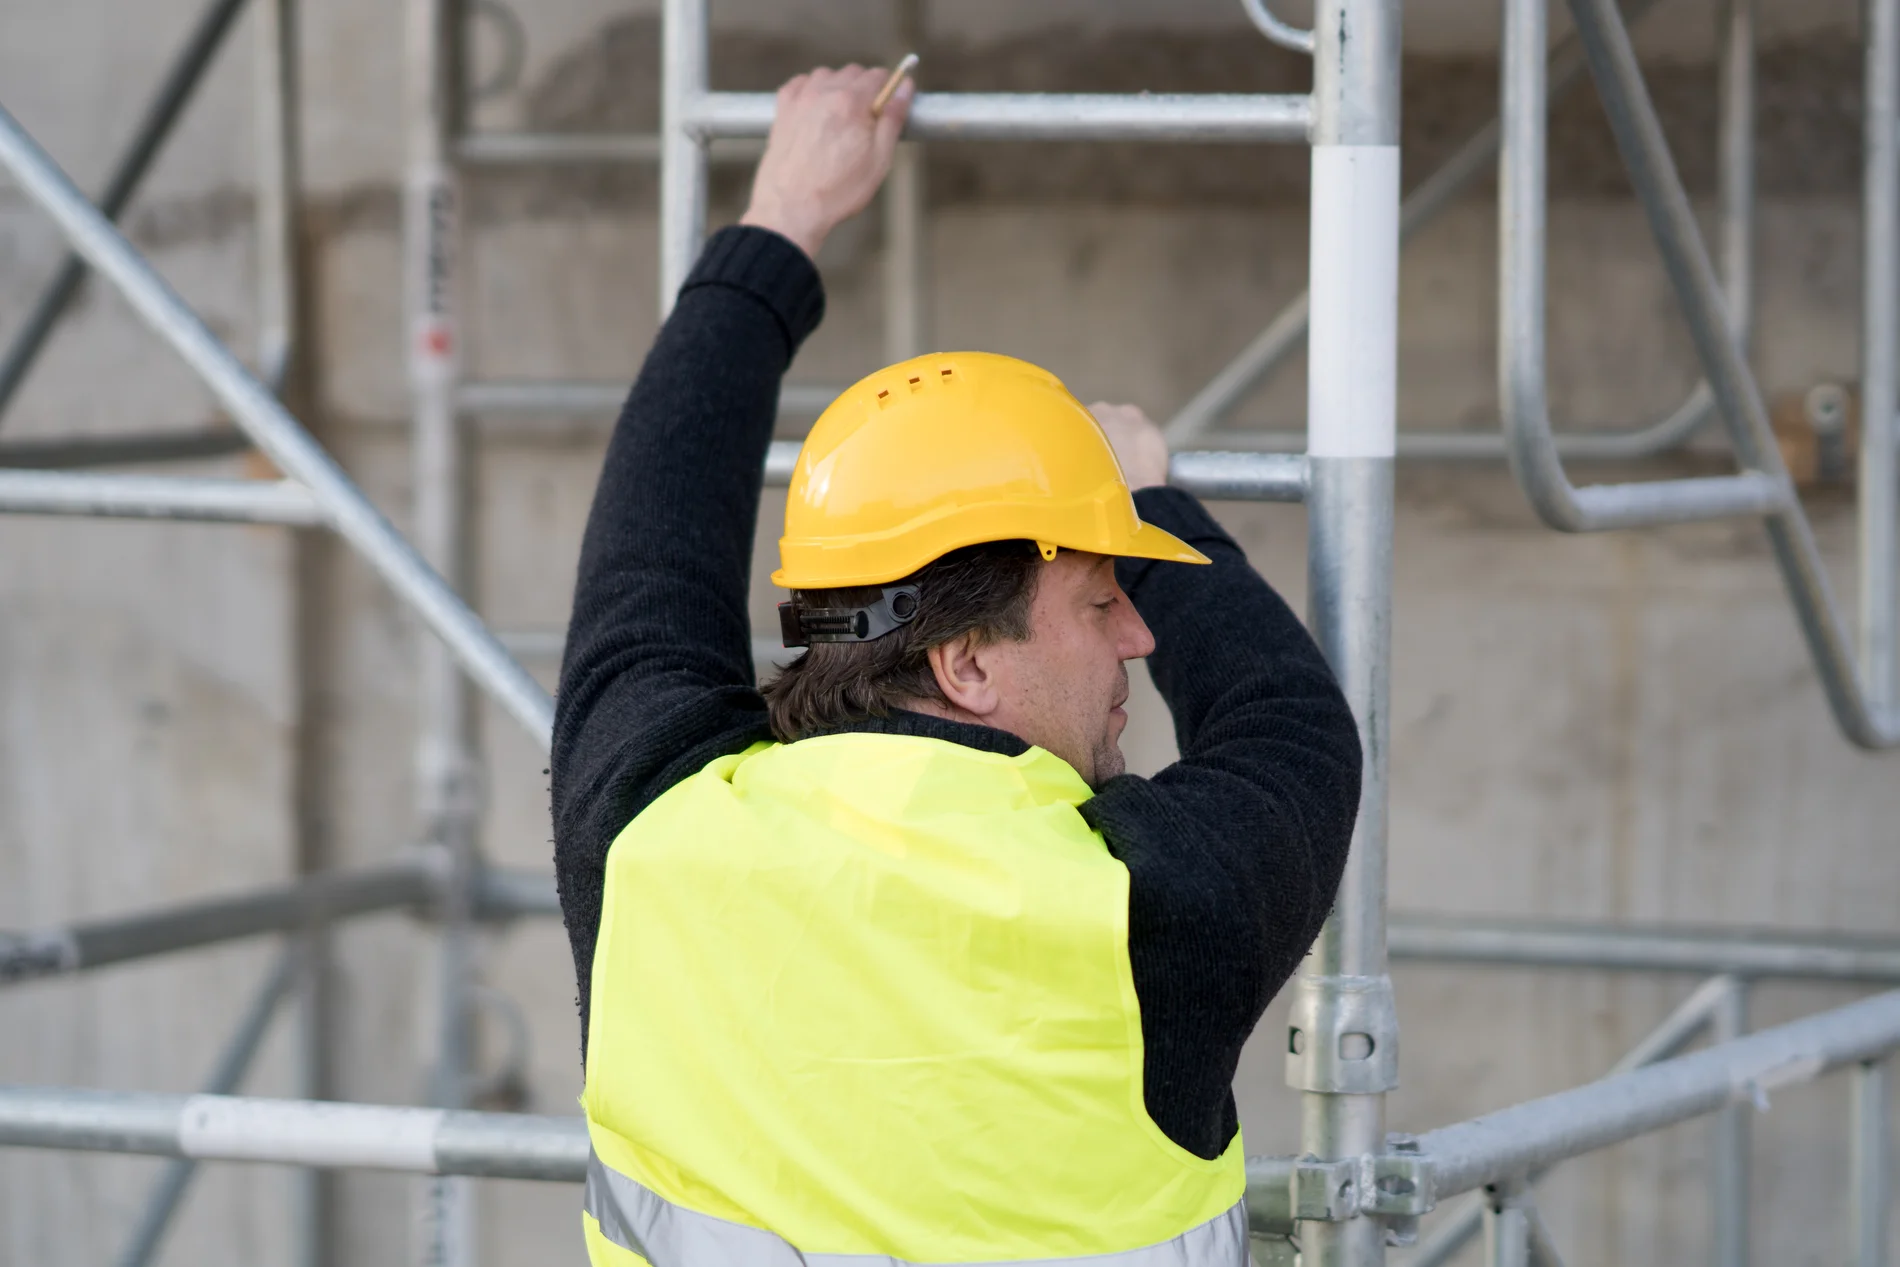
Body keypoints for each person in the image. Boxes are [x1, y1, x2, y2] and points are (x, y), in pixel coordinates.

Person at [551, 64, 1363, 1267]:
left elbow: (648, 553)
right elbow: (1294, 728)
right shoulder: (1148, 912)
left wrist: (779, 219)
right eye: (1099, 598)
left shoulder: (648, 839)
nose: (1138, 630)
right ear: (967, 660)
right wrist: (1158, 507)